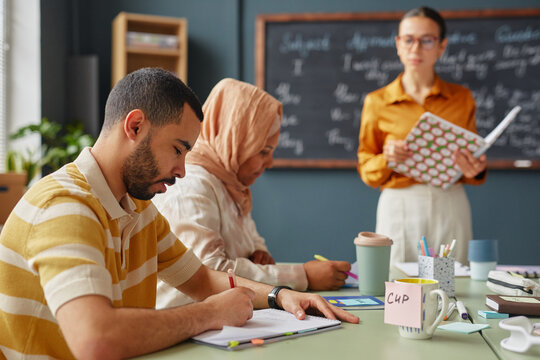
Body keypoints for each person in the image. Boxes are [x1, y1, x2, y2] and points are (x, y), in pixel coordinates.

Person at [0, 68, 358, 359]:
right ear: (135, 126)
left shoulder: (138, 209)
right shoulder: (65, 206)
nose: (183, 170)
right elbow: (97, 341)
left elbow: (201, 279)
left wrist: (280, 295)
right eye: (177, 149)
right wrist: (210, 313)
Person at [152, 78, 352, 308]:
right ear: (233, 139)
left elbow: (253, 245)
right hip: (187, 328)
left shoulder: (231, 186)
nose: (270, 162)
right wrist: (303, 275)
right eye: (263, 151)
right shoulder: (191, 186)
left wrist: (257, 255)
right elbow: (208, 273)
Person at [357, 7, 487, 271]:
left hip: (450, 200)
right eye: (408, 39)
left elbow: (471, 162)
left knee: (451, 283)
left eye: (427, 40)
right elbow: (366, 168)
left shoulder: (462, 98)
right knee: (398, 283)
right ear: (398, 44)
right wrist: (387, 158)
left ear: (441, 47)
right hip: (399, 203)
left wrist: (475, 168)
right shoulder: (377, 101)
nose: (416, 48)